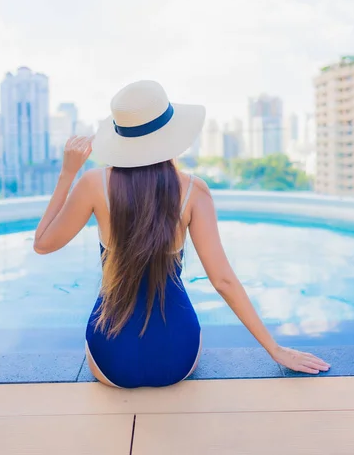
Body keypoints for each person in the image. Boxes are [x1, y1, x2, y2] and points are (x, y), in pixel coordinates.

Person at [34, 80, 330, 388]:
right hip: (178, 357)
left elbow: (42, 244)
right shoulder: (193, 191)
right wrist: (276, 350)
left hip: (111, 359)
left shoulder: (93, 185)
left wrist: (68, 173)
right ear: (169, 134)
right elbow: (223, 281)